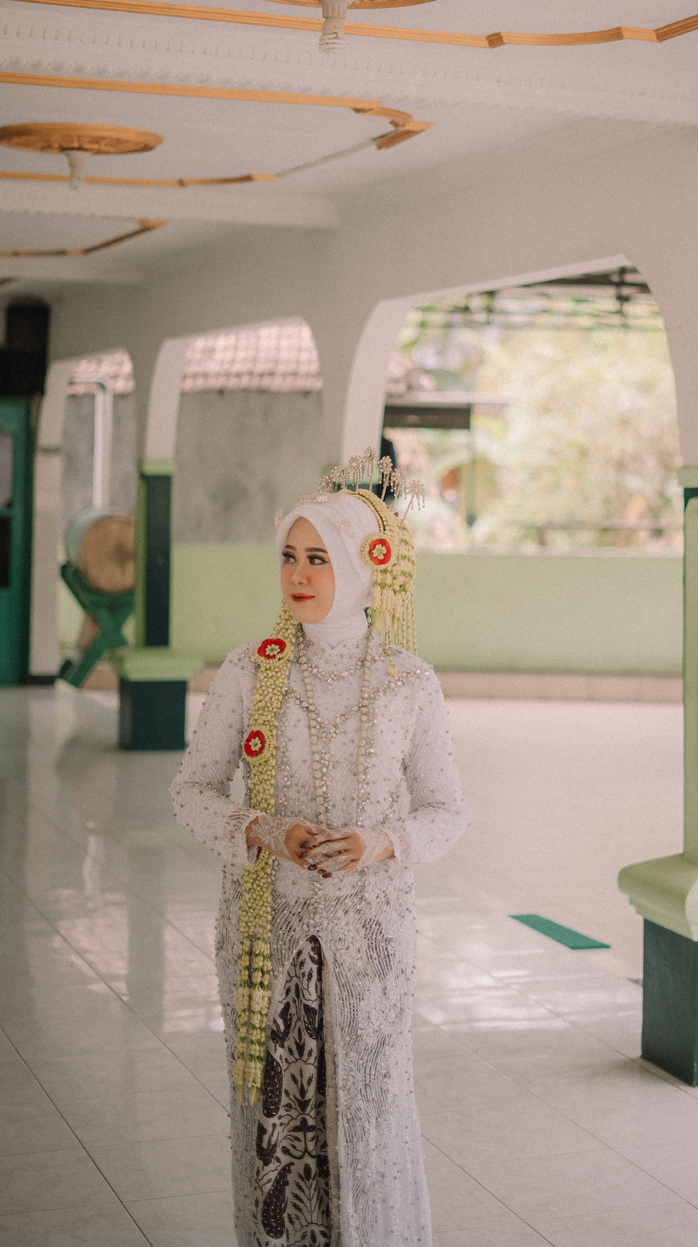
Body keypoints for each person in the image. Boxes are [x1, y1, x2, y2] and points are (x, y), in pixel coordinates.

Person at [171, 454, 469, 1247]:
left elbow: (448, 812)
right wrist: (264, 830)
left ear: (364, 567)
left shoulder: (408, 681)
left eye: (319, 558)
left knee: (367, 1109)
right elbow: (191, 791)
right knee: (275, 1107)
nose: (298, 575)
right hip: (267, 932)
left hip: (370, 938)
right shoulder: (250, 671)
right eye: (289, 556)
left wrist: (378, 843)